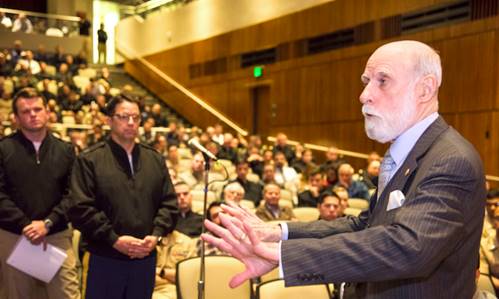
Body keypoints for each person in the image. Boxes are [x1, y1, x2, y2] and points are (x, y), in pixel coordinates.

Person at [202, 40, 485, 299]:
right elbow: (366, 226)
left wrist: (285, 255)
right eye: (366, 81)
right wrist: (280, 232)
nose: (364, 95)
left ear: (424, 89)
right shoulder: (410, 151)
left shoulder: (450, 159)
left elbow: (407, 247)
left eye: (382, 81)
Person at [68, 94, 178, 299]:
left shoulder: (154, 159)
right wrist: (114, 239)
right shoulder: (90, 159)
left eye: (136, 118)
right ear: (108, 120)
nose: (131, 123)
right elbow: (80, 208)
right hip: (105, 257)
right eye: (124, 117)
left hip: (145, 259)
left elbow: (169, 204)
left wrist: (156, 235)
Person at [0, 88, 80, 299]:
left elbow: (73, 194)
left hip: (56, 234)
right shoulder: (3, 149)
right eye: (26, 111)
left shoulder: (66, 150)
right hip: (14, 235)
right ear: (16, 118)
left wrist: (47, 223)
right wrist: (26, 225)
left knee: (67, 294)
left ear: (47, 112)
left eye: (38, 109)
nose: (33, 114)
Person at [153, 230, 197, 299]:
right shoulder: (144, 239)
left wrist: (162, 272)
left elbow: (190, 277)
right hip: (145, 286)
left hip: (172, 290)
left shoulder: (187, 242)